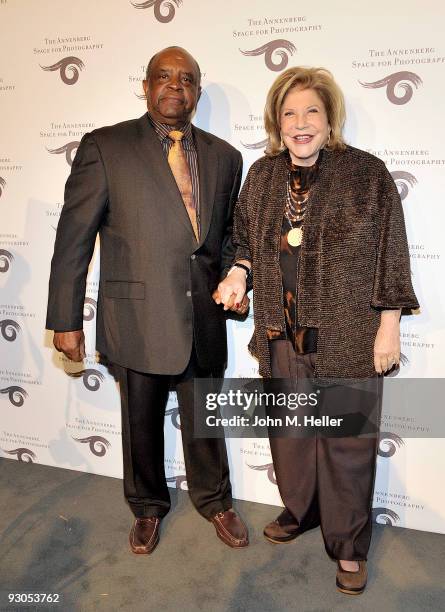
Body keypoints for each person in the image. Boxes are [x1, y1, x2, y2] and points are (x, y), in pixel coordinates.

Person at [216, 67, 418, 594]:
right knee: (291, 437)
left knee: (347, 444)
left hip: (350, 335)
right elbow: (243, 241)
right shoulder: (262, 176)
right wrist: (239, 274)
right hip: (281, 335)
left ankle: (348, 546)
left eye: (311, 112)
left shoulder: (367, 174)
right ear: (275, 122)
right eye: (289, 113)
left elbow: (390, 254)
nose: (300, 123)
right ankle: (301, 510)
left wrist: (389, 327)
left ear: (330, 120)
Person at [46, 46, 249, 554]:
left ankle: (216, 500)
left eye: (187, 79)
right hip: (134, 317)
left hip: (203, 316)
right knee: (140, 423)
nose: (175, 86)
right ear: (146, 85)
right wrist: (65, 320)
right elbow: (74, 239)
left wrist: (236, 281)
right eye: (164, 76)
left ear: (198, 93)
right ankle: (147, 507)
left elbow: (225, 240)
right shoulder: (105, 146)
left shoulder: (226, 157)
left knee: (205, 419)